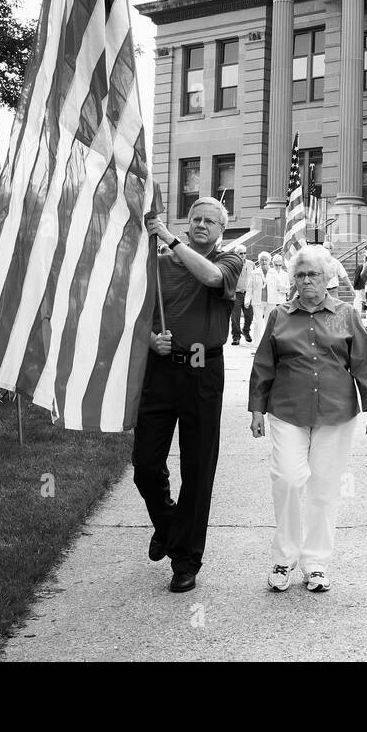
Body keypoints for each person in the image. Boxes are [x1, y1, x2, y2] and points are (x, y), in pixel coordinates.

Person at [249, 245, 367, 592]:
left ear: (328, 279)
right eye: (301, 275)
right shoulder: (280, 315)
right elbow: (264, 364)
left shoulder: (344, 314)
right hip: (287, 411)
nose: (307, 280)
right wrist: (256, 409)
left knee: (324, 489)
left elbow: (363, 363)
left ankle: (316, 563)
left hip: (335, 413)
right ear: (293, 280)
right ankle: (284, 558)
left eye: (314, 275)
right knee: (289, 480)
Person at [135, 197, 244, 593]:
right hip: (162, 372)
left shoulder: (231, 261)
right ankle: (168, 526)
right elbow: (137, 311)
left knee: (197, 469)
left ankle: (185, 560)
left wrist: (168, 237)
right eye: (195, 218)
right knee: (146, 464)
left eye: (209, 221)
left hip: (203, 372)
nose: (200, 225)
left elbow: (211, 278)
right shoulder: (158, 265)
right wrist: (150, 340)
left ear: (221, 229)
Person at [230, 244, 255, 346]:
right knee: (235, 317)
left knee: (249, 316)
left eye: (245, 253)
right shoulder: (232, 265)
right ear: (236, 254)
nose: (243, 255)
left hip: (248, 294)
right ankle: (236, 337)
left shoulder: (251, 264)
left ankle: (246, 331)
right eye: (241, 253)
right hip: (236, 293)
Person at [248, 252, 274, 337]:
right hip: (257, 301)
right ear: (259, 261)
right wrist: (247, 300)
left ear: (269, 261)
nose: (264, 262)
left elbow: (279, 285)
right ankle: (257, 343)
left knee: (269, 323)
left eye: (266, 260)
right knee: (258, 323)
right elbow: (249, 288)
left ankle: (267, 341)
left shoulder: (273, 272)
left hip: (270, 301)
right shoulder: (254, 272)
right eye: (262, 260)